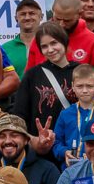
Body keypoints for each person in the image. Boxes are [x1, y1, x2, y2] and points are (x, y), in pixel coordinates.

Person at [13, 23, 74, 151]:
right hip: (41, 146)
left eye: (54, 43)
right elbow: (19, 115)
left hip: (73, 143)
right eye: (44, 46)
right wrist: (32, 140)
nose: (50, 50)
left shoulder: (80, 72)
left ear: (64, 42)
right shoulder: (32, 75)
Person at [51, 67, 94, 167]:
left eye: (89, 86)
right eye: (80, 86)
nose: (84, 90)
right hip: (71, 169)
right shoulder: (65, 114)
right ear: (73, 86)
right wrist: (64, 152)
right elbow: (55, 142)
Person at [48, 0, 94, 70]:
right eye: (57, 19)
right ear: (53, 11)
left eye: (67, 21)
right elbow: (29, 77)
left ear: (79, 15)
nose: (61, 24)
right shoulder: (41, 38)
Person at [0, 0, 42, 76]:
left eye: (32, 13)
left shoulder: (49, 46)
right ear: (16, 19)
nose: (27, 17)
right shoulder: (4, 49)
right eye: (23, 14)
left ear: (41, 17)